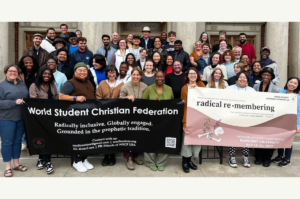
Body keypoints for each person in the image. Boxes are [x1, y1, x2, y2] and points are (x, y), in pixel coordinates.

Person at [59, 62, 95, 173]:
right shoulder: (70, 83)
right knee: (78, 139)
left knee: (87, 138)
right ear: (75, 71)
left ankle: (84, 158)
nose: (83, 72)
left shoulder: (89, 82)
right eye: (80, 70)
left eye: (84, 70)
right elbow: (61, 96)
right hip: (76, 116)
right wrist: (75, 98)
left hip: (88, 116)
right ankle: (77, 161)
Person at [0, 64, 29, 177]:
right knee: (7, 143)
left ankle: (16, 164)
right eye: (10, 71)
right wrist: (13, 102)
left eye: (15, 71)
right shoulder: (2, 86)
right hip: (6, 119)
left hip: (20, 118)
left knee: (17, 142)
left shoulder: (22, 85)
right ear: (6, 72)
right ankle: (7, 167)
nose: (13, 73)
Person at [29, 67, 58, 174]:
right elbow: (34, 101)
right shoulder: (34, 86)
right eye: (45, 73)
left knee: (49, 138)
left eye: (49, 74)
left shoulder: (52, 85)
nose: (47, 75)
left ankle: (41, 159)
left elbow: (56, 97)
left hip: (51, 116)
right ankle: (48, 162)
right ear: (40, 74)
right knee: (42, 137)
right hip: (39, 117)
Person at [143, 71, 174, 171]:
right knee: (150, 140)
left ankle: (161, 162)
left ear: (164, 78)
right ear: (155, 78)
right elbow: (143, 104)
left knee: (164, 141)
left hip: (165, 121)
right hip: (151, 120)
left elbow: (173, 103)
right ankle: (150, 162)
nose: (159, 78)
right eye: (157, 77)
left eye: (161, 77)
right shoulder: (149, 88)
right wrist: (153, 104)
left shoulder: (169, 89)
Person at [226, 71, 255, 168]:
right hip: (232, 118)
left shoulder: (252, 90)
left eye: (245, 77)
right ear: (236, 79)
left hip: (246, 119)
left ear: (247, 80)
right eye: (240, 77)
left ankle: (245, 157)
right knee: (232, 137)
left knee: (245, 137)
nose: (242, 79)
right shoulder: (229, 89)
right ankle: (232, 157)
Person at [96, 65, 124, 167]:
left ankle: (112, 155)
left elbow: (122, 98)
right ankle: (106, 155)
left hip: (116, 114)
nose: (111, 74)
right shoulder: (102, 83)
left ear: (116, 73)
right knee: (105, 134)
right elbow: (98, 97)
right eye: (109, 72)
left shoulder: (121, 84)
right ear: (107, 73)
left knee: (113, 135)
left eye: (113, 72)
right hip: (104, 113)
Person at [119, 68, 147, 170]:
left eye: (138, 75)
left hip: (140, 117)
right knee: (128, 137)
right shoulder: (125, 86)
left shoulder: (145, 86)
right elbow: (119, 99)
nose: (136, 77)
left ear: (140, 76)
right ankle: (129, 158)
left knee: (138, 137)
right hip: (128, 117)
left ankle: (135, 156)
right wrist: (126, 98)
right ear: (131, 75)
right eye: (134, 74)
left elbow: (147, 100)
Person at [253, 67, 280, 167]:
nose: (266, 76)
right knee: (257, 138)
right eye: (264, 74)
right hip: (257, 116)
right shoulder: (255, 86)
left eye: (268, 75)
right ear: (261, 75)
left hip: (270, 117)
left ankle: (267, 158)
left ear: (271, 77)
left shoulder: (276, 89)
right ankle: (258, 157)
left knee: (269, 138)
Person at [181, 67, 205, 173]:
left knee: (195, 141)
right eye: (190, 74)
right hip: (188, 117)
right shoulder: (184, 88)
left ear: (197, 75)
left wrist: (197, 90)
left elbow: (205, 101)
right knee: (186, 141)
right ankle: (184, 161)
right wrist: (184, 121)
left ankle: (190, 160)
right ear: (187, 76)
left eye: (194, 73)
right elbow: (184, 105)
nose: (192, 75)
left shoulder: (202, 86)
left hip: (198, 118)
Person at [272, 77, 300, 167]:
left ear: (297, 86)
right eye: (291, 82)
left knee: (288, 141)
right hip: (279, 120)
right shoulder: (279, 91)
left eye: (295, 83)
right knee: (280, 139)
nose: (292, 84)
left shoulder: (297, 97)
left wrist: (298, 125)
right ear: (287, 82)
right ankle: (280, 156)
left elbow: (298, 112)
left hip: (290, 121)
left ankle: (287, 159)